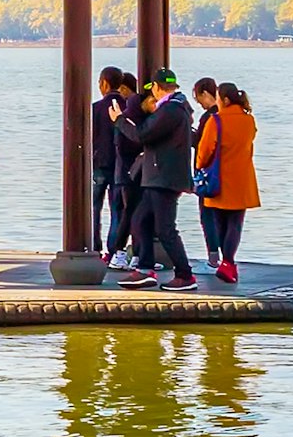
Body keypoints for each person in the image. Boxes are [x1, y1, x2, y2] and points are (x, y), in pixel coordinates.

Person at [117, 69, 199, 290]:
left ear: (156, 87)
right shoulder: (177, 109)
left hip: (164, 177)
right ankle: (144, 269)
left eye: (152, 89)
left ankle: (185, 275)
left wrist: (119, 121)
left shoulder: (171, 110)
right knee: (140, 220)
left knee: (165, 229)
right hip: (160, 176)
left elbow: (143, 135)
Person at [198, 80, 262, 283]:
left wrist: (200, 167)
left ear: (224, 99)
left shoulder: (215, 121)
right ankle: (229, 262)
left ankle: (225, 263)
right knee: (236, 222)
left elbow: (204, 151)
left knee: (219, 221)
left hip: (219, 179)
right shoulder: (249, 120)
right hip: (242, 178)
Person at [92, 68, 138, 262]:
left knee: (94, 208)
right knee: (117, 209)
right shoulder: (128, 107)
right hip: (122, 165)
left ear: (104, 83)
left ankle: (93, 247)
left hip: (100, 163)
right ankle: (113, 250)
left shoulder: (95, 108)